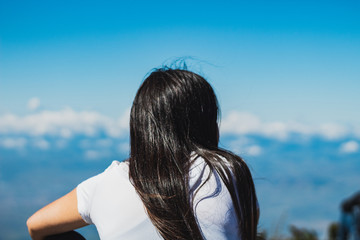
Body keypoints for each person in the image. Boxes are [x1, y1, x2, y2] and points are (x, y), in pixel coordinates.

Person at [27, 67, 259, 240]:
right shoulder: (228, 171)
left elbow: (35, 226)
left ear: (140, 126)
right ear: (206, 125)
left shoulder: (104, 184)